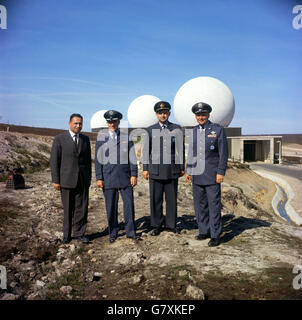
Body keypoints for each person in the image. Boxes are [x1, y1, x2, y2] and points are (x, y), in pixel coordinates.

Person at [186, 102, 228, 247]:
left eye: (203, 114)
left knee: (214, 206)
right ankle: (204, 231)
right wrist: (189, 170)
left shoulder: (217, 130)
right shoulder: (193, 131)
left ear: (208, 115)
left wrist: (221, 171)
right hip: (197, 175)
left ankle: (215, 235)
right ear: (195, 116)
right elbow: (191, 152)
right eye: (198, 115)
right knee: (200, 205)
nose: (201, 117)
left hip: (212, 175)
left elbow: (223, 153)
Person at [95, 110, 140, 243]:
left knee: (129, 206)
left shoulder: (127, 137)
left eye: (114, 121)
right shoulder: (101, 138)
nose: (112, 124)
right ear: (106, 123)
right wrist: (99, 177)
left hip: (125, 177)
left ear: (119, 122)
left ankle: (130, 232)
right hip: (108, 177)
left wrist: (134, 174)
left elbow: (132, 158)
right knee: (111, 207)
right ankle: (113, 232)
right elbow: (98, 160)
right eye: (109, 121)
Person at [143, 101, 185, 236]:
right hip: (155, 169)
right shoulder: (150, 130)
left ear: (169, 114)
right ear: (156, 114)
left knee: (171, 199)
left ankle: (171, 225)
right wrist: (145, 168)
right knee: (156, 199)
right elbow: (146, 151)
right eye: (160, 113)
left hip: (171, 169)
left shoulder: (176, 128)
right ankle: (156, 225)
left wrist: (182, 167)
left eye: (165, 112)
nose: (163, 115)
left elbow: (180, 149)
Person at [50, 113, 92, 244]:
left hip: (82, 180)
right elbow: (54, 161)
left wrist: (89, 178)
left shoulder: (85, 139)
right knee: (68, 209)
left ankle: (80, 233)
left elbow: (88, 161)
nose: (78, 125)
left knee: (82, 208)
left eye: (80, 123)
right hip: (66, 180)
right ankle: (67, 236)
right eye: (75, 123)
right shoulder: (60, 139)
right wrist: (56, 180)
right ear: (69, 123)